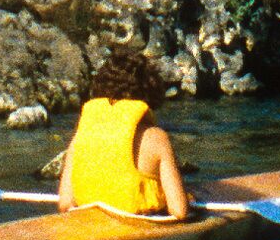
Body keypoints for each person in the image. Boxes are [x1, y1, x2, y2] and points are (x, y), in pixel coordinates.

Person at [59, 42, 190, 221]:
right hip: (138, 225)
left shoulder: (80, 136)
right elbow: (179, 211)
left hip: (90, 225)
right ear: (150, 90)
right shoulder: (156, 138)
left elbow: (65, 204)